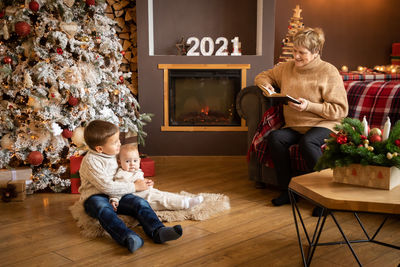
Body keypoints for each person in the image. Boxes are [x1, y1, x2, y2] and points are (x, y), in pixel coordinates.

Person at [254, 27, 348, 207]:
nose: (296, 56)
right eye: (294, 51)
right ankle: (288, 191)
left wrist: (308, 106)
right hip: (296, 125)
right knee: (276, 138)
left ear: (315, 52)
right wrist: (268, 86)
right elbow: (262, 76)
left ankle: (327, 199)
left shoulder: (328, 72)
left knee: (308, 142)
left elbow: (340, 110)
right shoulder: (287, 68)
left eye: (302, 53)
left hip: (325, 123)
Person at [78, 120, 182, 253]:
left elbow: (127, 171)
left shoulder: (113, 153)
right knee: (103, 208)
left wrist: (141, 182)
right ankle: (127, 236)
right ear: (99, 149)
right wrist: (134, 186)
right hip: (95, 196)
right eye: (115, 142)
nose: (119, 144)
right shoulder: (91, 162)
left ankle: (158, 230)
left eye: (118, 140)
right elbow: (107, 187)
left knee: (139, 202)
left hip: (117, 194)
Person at [109, 143, 204, 211]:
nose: (132, 164)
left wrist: (148, 182)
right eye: (127, 161)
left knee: (164, 194)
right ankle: (184, 204)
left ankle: (185, 199)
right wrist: (114, 199)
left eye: (135, 161)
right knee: (162, 200)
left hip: (147, 191)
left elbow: (141, 181)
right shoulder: (121, 174)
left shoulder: (137, 171)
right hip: (138, 198)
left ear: (139, 160)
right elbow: (118, 188)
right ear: (119, 162)